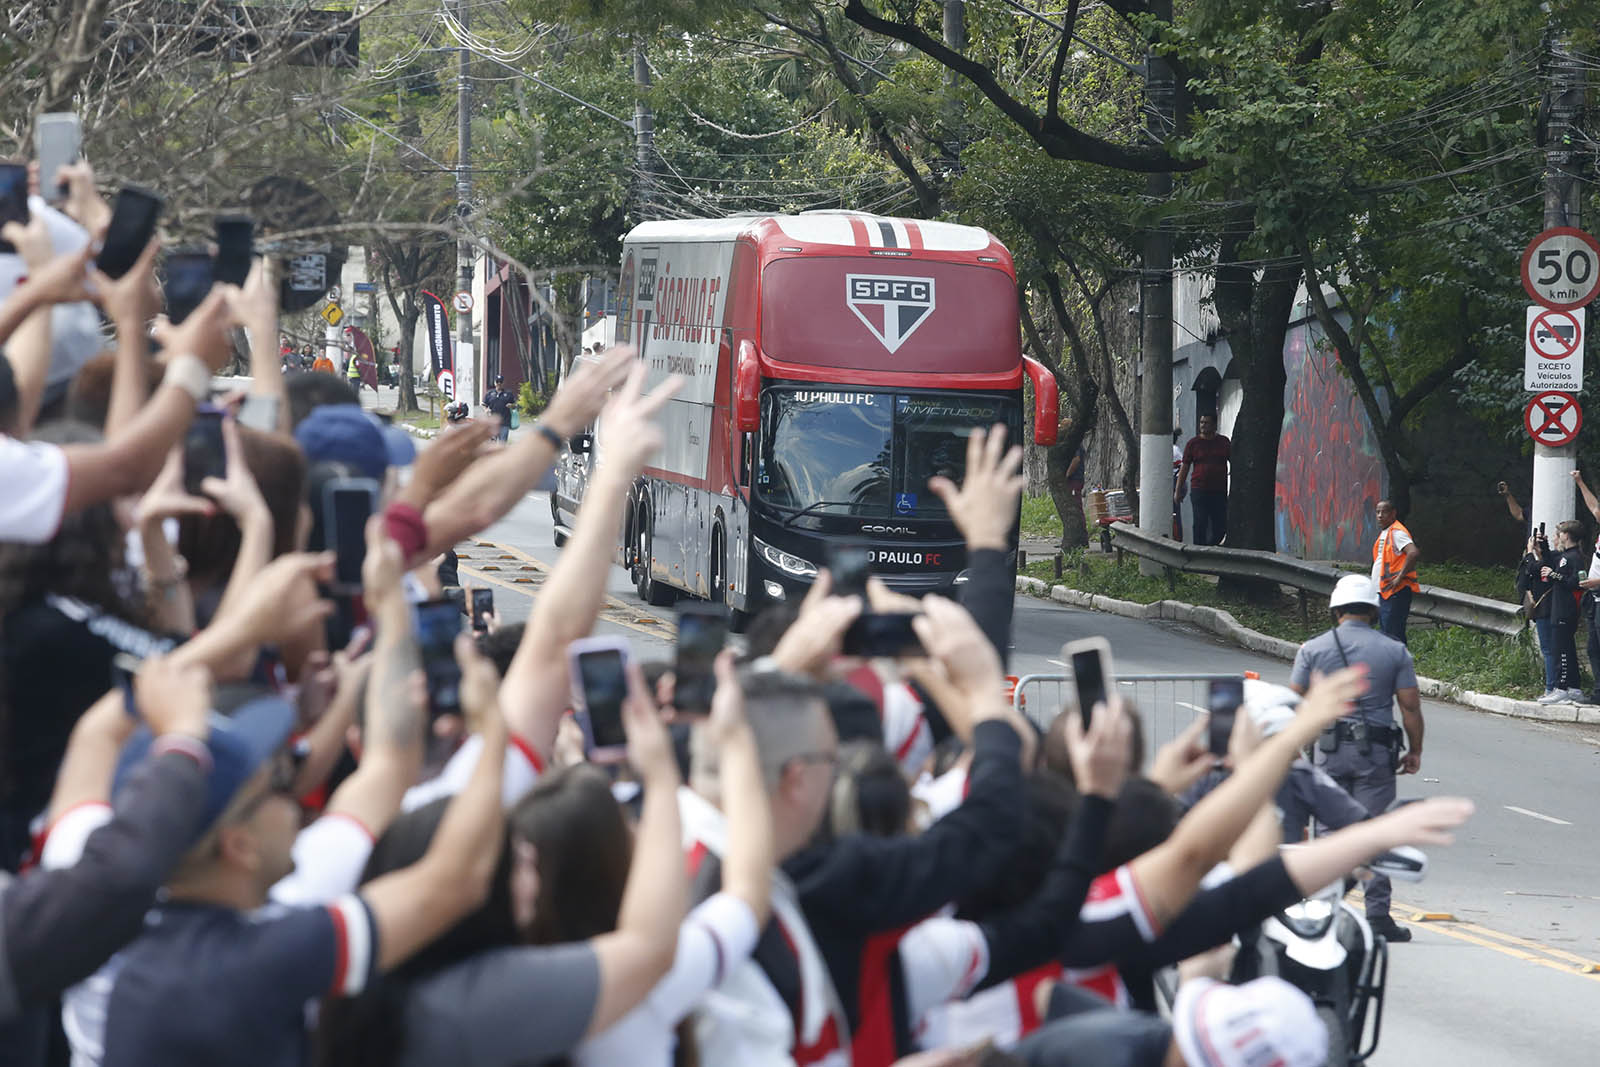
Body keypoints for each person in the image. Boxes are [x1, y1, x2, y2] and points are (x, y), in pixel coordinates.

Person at [1288, 574, 1423, 942]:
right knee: (1374, 830)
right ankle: (1377, 916)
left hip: (1327, 752)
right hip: (1375, 753)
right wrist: (1415, 750)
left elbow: (1292, 700)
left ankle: (1324, 912)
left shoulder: (1312, 649)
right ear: (1374, 612)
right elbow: (1409, 706)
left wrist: (1295, 745)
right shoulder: (1394, 651)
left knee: (1330, 832)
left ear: (1336, 610)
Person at [1519, 520, 1584, 704]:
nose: (1558, 537)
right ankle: (1573, 687)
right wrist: (1544, 546)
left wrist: (1553, 574)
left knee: (1561, 650)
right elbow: (1551, 563)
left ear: (1566, 535)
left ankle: (1561, 687)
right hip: (1560, 607)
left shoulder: (1574, 557)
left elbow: (1576, 581)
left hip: (1566, 608)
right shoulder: (1566, 556)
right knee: (1566, 649)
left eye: (1559, 534)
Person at [1174, 415, 1229, 546]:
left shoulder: (1223, 442)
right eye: (1201, 422)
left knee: (1220, 526)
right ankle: (1198, 554)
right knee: (1200, 523)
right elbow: (1185, 468)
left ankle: (1211, 549)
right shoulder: (1193, 444)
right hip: (1199, 490)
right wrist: (1178, 490)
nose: (1203, 425)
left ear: (1215, 425)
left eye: (1207, 423)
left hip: (1219, 491)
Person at [1371, 499, 1420, 645]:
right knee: (1389, 633)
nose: (1380, 515)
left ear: (1393, 514)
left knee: (1393, 635)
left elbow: (1413, 552)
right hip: (1386, 592)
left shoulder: (1397, 532)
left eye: (1384, 512)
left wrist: (1400, 577)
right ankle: (1395, 664)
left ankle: (1397, 665)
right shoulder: (1387, 532)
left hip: (1395, 592)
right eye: (1377, 512)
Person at [482, 375, 516, 443]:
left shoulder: (508, 393)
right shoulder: (489, 393)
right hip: (492, 423)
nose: (499, 384)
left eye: (501, 382)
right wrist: (486, 410)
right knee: (492, 444)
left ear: (503, 383)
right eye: (497, 382)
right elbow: (484, 404)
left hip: (505, 423)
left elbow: (515, 405)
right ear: (495, 383)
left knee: (502, 444)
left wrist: (511, 405)